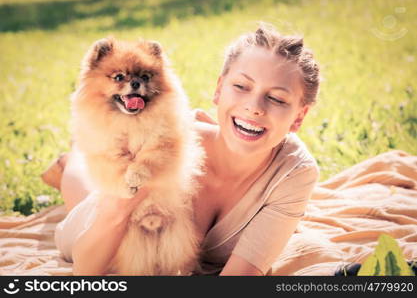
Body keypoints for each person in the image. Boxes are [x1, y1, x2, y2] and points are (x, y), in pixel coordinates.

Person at [45, 24, 321, 276]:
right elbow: (86, 272)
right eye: (240, 86)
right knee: (82, 185)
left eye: (276, 98)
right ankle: (73, 158)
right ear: (218, 89)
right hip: (97, 226)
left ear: (299, 117)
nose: (254, 106)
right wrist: (120, 201)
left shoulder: (293, 173)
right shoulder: (162, 146)